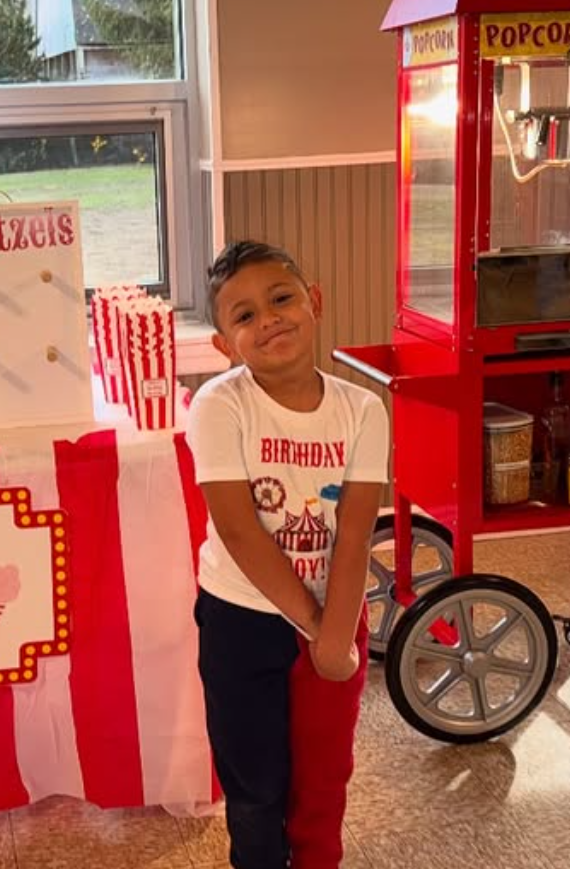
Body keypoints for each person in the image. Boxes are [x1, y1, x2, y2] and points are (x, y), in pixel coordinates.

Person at [187, 239, 388, 869]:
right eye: (245, 315)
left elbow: (354, 533)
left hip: (337, 614)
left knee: (323, 781)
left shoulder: (363, 410)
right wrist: (314, 627)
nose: (268, 319)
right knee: (256, 787)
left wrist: (336, 635)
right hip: (241, 621)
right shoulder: (219, 405)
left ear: (315, 301)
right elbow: (239, 530)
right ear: (224, 344)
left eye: (281, 299)